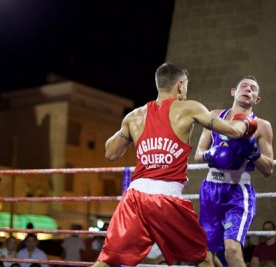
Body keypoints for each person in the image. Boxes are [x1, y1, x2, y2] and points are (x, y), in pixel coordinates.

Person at [91, 62, 256, 267]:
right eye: (186, 85)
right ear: (180, 85)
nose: (186, 90)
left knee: (107, 261)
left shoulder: (134, 117)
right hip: (166, 199)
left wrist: (126, 135)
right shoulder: (189, 108)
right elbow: (234, 132)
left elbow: (110, 152)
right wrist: (246, 120)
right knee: (202, 257)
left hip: (133, 198)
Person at [194, 75, 274, 266]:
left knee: (231, 248)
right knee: (204, 253)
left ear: (257, 99)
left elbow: (269, 168)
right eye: (244, 86)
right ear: (233, 92)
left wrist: (253, 153)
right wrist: (211, 154)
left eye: (253, 89)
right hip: (211, 189)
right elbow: (198, 154)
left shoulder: (262, 126)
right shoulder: (213, 116)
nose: (248, 89)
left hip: (238, 191)